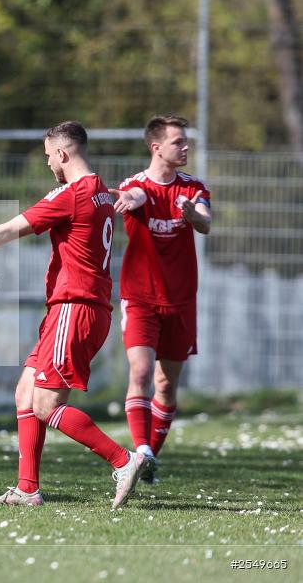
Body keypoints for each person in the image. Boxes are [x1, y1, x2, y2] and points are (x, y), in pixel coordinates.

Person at [0, 122, 147, 509]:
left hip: (75, 308)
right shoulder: (102, 193)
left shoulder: (73, 194)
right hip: (79, 308)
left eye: (47, 157)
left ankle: (124, 460)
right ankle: (27, 489)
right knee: (25, 393)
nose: (47, 165)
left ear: (62, 154)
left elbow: (9, 229)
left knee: (44, 404)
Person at [114, 115, 212, 483]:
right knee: (140, 373)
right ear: (156, 147)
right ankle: (140, 452)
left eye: (186, 141)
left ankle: (150, 455)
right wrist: (130, 199)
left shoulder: (194, 188)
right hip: (140, 298)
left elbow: (205, 220)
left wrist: (192, 214)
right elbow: (136, 194)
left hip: (181, 300)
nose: (186, 147)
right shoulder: (135, 186)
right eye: (178, 142)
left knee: (167, 385)